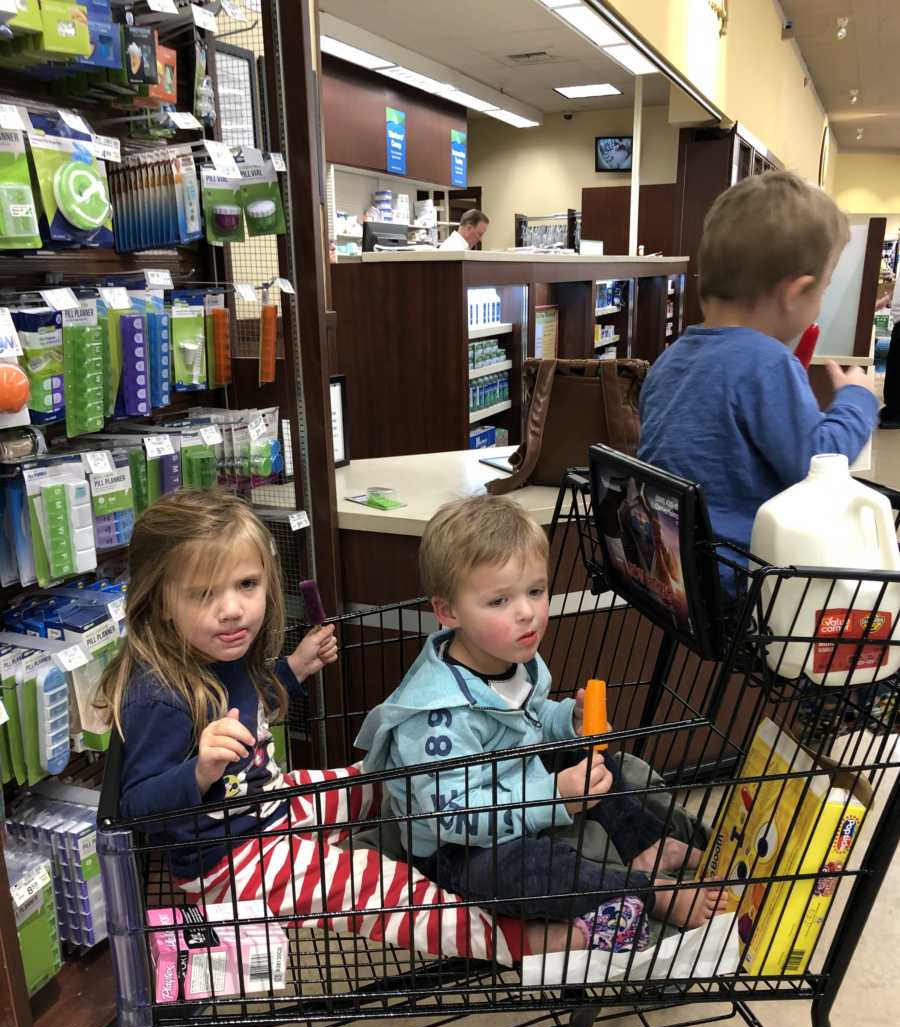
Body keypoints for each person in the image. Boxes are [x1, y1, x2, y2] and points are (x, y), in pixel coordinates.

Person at [97, 490, 529, 967]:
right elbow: (133, 811)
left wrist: (294, 669)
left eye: (246, 584)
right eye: (204, 594)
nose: (233, 609)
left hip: (270, 803)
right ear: (160, 602)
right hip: (229, 863)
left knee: (389, 777)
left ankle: (469, 814)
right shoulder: (158, 696)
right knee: (379, 887)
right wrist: (198, 772)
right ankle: (526, 943)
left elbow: (252, 702)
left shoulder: (217, 649)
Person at [356, 495, 726, 955]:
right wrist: (554, 799)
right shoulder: (437, 718)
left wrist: (565, 720)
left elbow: (530, 717)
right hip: (456, 848)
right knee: (524, 868)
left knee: (595, 758)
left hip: (515, 786)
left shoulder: (513, 658)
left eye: (536, 591)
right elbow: (453, 817)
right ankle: (646, 890)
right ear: (448, 612)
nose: (527, 612)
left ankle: (645, 842)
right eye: (500, 600)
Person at [638, 171, 879, 554]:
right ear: (796, 292)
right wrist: (857, 399)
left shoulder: (670, 359)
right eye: (824, 290)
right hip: (741, 578)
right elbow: (818, 463)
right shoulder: (767, 364)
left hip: (675, 566)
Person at [879, 268, 900, 429]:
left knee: (897, 367)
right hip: (898, 320)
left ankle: (896, 411)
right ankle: (892, 407)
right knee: (894, 365)